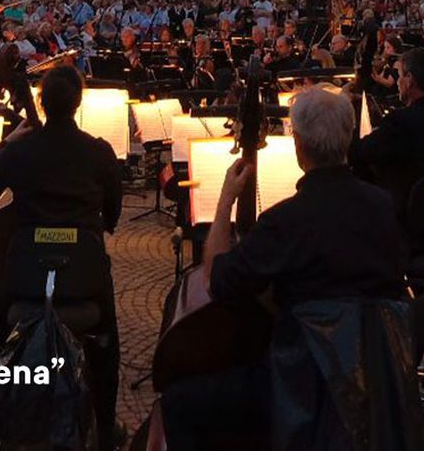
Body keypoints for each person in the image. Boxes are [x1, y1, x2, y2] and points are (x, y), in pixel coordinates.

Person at [160, 85, 408, 451]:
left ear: (298, 147)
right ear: (348, 139)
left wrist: (227, 198)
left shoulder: (285, 221)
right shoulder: (385, 205)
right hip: (377, 375)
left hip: (303, 383)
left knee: (180, 401)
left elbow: (216, 280)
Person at [0, 65, 122, 446]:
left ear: (41, 102)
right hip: (83, 279)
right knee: (109, 340)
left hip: (24, 276)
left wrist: (7, 144)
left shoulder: (22, 150)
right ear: (78, 103)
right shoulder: (98, 151)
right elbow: (114, 216)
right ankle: (104, 426)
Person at [352, 46, 424, 230]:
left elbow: (358, 153)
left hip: (414, 215)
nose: (397, 81)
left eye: (399, 76)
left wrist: (347, 111)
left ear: (410, 80)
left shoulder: (400, 122)